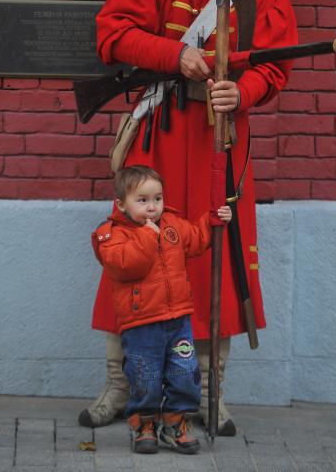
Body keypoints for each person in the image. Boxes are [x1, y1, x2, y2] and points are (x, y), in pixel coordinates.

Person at [79, 0, 298, 435]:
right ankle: (121, 385)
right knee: (134, 259)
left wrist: (243, 92)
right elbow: (112, 35)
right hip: (157, 142)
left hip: (220, 150)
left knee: (213, 263)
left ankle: (208, 393)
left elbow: (274, 68)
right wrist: (175, 54)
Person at [92, 165, 232, 454]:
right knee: (145, 377)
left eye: (157, 199)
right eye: (142, 201)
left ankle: (176, 423)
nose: (152, 207)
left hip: (178, 319)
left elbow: (197, 239)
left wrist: (214, 219)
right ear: (122, 204)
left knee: (185, 374)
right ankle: (144, 424)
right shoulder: (111, 235)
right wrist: (147, 235)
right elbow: (127, 264)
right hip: (141, 324)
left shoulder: (172, 226)